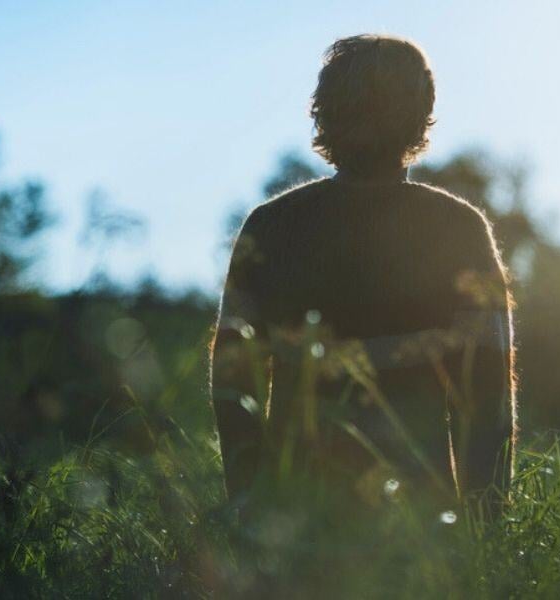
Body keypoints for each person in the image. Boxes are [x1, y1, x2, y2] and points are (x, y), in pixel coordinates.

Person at [210, 34, 517, 529]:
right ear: (421, 113)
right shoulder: (457, 228)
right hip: (417, 523)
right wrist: (487, 524)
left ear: (322, 112)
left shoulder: (271, 225)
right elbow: (487, 392)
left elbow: (232, 378)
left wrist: (246, 500)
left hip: (294, 524)